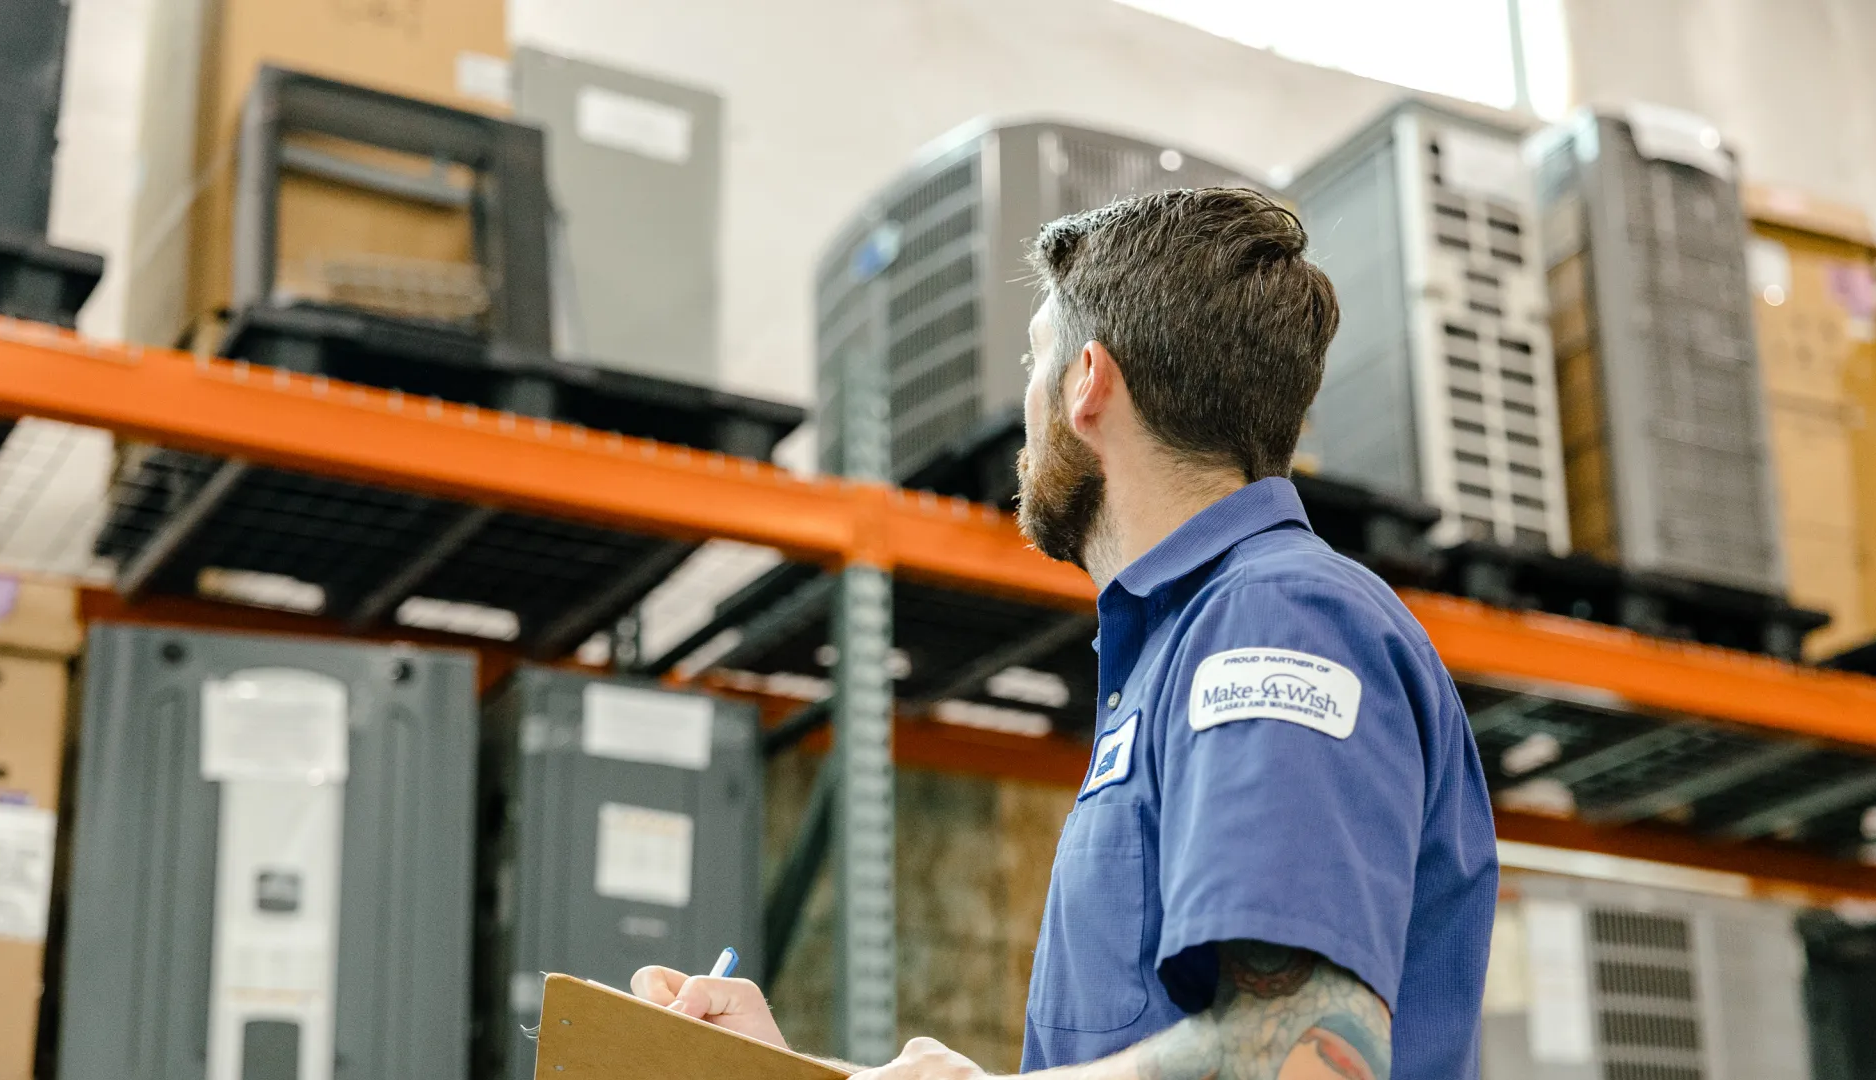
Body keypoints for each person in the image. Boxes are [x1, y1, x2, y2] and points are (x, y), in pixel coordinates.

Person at [632, 187, 1498, 1080]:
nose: (1025, 408)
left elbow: (1303, 1054)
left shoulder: (1274, 621)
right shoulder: (1177, 646)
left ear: (1087, 381)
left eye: (1033, 360)